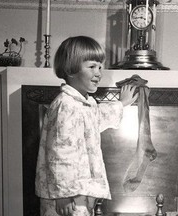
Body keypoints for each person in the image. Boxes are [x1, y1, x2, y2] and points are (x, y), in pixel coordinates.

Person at [35, 36, 138, 216]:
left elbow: (97, 118)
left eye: (100, 67)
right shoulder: (66, 106)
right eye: (91, 67)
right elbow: (60, 152)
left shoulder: (82, 104)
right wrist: (64, 195)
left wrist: (121, 104)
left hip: (79, 191)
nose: (98, 72)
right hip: (68, 195)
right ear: (70, 69)